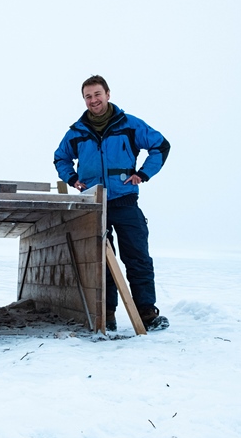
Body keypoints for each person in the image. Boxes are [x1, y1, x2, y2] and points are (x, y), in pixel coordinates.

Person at [54, 75, 170, 332]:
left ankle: (147, 314)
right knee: (101, 261)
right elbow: (60, 158)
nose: (93, 100)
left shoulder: (129, 124)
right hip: (94, 206)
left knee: (137, 257)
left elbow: (161, 146)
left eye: (97, 94)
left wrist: (143, 174)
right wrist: (72, 179)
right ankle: (106, 315)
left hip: (125, 202)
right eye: (88, 96)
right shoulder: (76, 132)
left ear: (107, 94)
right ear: (84, 99)